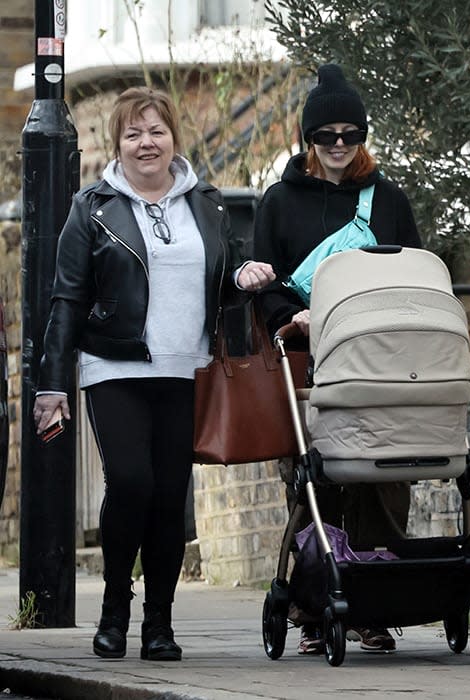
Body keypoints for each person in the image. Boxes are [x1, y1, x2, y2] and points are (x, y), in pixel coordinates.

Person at [33, 86, 275, 661]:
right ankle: (115, 609)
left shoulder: (207, 203)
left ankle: (159, 626)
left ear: (173, 140)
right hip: (113, 366)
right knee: (132, 483)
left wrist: (242, 275)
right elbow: (66, 299)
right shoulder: (91, 208)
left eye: (156, 131)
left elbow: (225, 268)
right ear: (118, 144)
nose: (147, 143)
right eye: (133, 133)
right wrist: (51, 383)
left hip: (185, 369)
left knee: (170, 498)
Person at [254, 64, 422, 654]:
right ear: (308, 140)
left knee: (380, 476)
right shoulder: (278, 203)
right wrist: (288, 318)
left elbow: (414, 273)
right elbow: (267, 280)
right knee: (314, 484)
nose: (339, 146)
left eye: (351, 134)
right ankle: (313, 604)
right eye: (327, 136)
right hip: (307, 359)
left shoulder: (389, 199)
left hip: (376, 357)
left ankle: (373, 605)